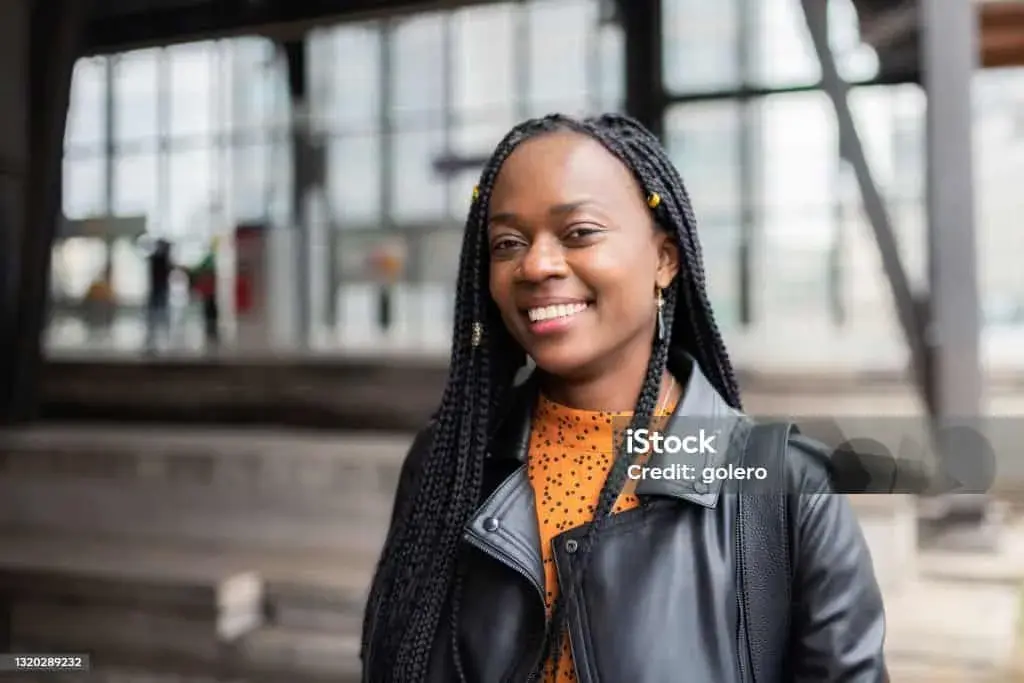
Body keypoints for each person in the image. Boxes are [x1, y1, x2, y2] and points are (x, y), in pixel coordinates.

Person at [360, 114, 887, 683]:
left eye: (579, 232)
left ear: (664, 258)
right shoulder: (448, 466)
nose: (536, 265)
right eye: (508, 243)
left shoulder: (788, 489)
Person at [144, 238, 173, 352]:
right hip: (158, 287)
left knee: (158, 309)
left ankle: (157, 331)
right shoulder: (160, 258)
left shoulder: (157, 258)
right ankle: (154, 331)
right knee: (156, 310)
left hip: (159, 288)